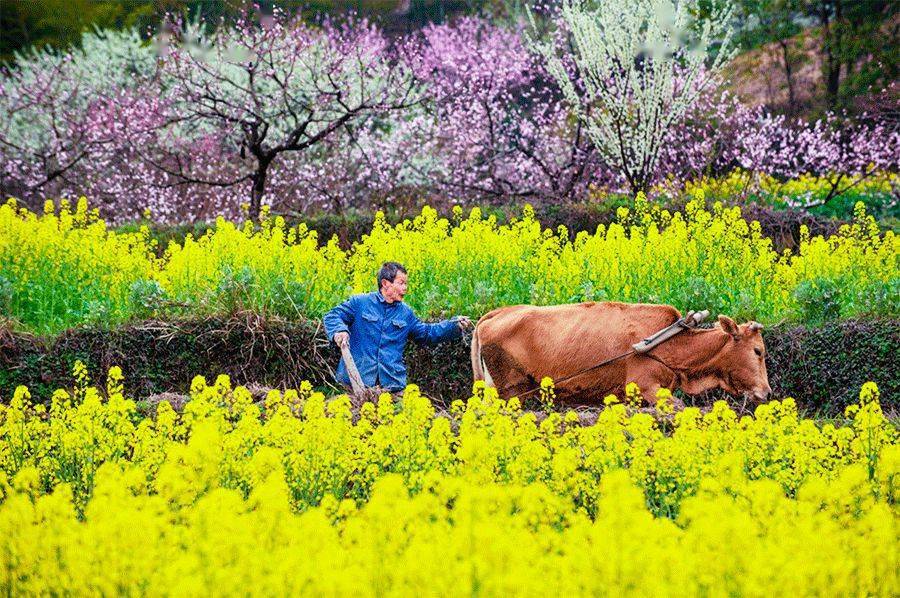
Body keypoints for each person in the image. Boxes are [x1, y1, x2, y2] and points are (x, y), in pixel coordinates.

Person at [323, 261, 472, 393]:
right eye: (401, 283)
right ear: (385, 283)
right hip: (355, 384)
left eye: (406, 284)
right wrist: (339, 330)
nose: (405, 288)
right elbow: (332, 316)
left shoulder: (406, 313)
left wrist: (453, 325)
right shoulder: (360, 303)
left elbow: (427, 333)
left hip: (391, 385)